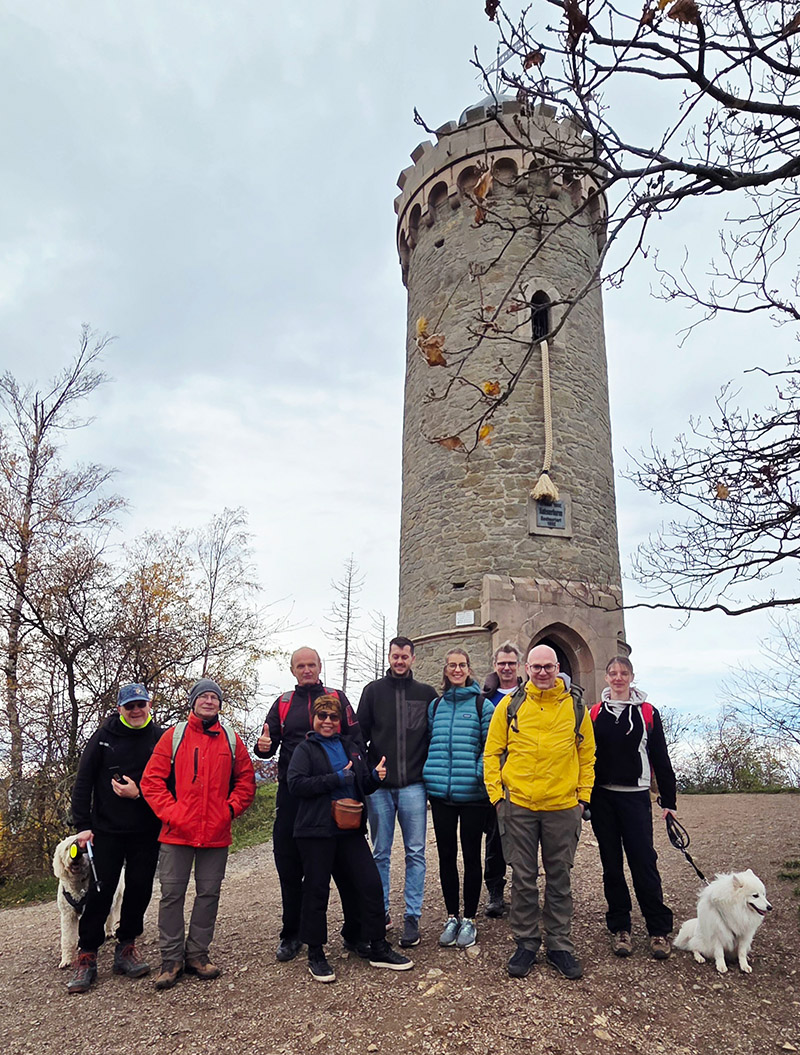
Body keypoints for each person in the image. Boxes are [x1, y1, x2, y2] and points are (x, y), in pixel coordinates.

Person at [483, 644, 595, 980]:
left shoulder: (577, 707)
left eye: (548, 667)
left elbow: (587, 756)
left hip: (563, 807)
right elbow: (492, 753)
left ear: (557, 667)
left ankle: (560, 944)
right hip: (518, 806)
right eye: (536, 667)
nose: (543, 673)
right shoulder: (509, 705)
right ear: (527, 668)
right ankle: (527, 943)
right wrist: (497, 798)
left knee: (560, 878)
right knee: (523, 877)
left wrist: (582, 799)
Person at [287, 694, 414, 981]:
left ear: (340, 721)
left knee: (368, 883)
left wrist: (374, 778)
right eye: (323, 716)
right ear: (314, 720)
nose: (328, 721)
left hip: (349, 829)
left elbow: (360, 785)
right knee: (317, 890)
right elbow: (296, 784)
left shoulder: (350, 747)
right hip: (316, 831)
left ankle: (373, 943)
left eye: (333, 717)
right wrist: (336, 779)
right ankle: (316, 952)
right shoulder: (305, 749)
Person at [140, 678, 255, 990]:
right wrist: (175, 814)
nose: (208, 701)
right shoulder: (174, 736)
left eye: (213, 697)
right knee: (171, 895)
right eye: (202, 696)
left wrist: (228, 810)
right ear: (192, 702)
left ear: (219, 704)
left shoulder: (230, 738)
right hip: (176, 833)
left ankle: (197, 955)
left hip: (216, 833)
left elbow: (246, 780)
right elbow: (151, 781)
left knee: (208, 894)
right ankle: (170, 960)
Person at [255, 646, 363, 962]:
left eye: (311, 664)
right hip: (294, 794)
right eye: (300, 665)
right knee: (289, 866)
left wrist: (359, 775)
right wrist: (261, 748)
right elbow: (267, 744)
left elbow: (356, 739)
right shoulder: (284, 704)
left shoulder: (337, 698)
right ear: (293, 670)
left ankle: (354, 932)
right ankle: (292, 934)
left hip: (336, 794)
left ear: (319, 666)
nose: (306, 670)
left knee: (345, 865)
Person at [66, 683, 164, 994]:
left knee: (139, 889)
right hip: (104, 830)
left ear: (150, 705)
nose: (136, 711)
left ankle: (127, 948)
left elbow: (169, 786)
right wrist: (82, 825)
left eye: (140, 705)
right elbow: (83, 783)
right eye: (129, 706)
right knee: (101, 891)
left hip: (146, 830)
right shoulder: (103, 737)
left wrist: (140, 795)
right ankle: (87, 954)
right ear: (119, 708)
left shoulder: (160, 738)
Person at [590, 655, 677, 959]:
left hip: (636, 796)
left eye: (623, 673)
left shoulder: (647, 713)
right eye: (612, 672)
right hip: (603, 797)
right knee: (611, 865)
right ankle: (620, 927)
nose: (617, 678)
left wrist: (669, 800)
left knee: (644, 863)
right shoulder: (595, 713)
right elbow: (586, 758)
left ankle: (658, 929)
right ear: (606, 677)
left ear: (631, 676)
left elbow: (661, 757)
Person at [357, 636, 437, 948]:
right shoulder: (373, 692)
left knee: (415, 852)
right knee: (380, 852)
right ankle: (382, 911)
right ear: (389, 657)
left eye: (405, 656)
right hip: (379, 787)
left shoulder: (426, 694)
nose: (400, 661)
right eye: (395, 656)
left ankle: (412, 916)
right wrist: (367, 773)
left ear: (412, 659)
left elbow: (433, 737)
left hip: (414, 786)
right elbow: (359, 736)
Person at [423, 648, 494, 950]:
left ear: (469, 669)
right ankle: (451, 916)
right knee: (446, 857)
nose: (456, 670)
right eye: (451, 665)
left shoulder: (482, 705)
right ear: (445, 669)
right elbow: (430, 741)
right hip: (441, 794)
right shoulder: (435, 705)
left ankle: (470, 919)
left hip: (473, 795)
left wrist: (478, 774)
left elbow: (490, 747)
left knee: (471, 856)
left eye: (462, 665)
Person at [480, 641, 523, 918]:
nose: (506, 667)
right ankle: (495, 891)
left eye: (511, 663)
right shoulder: (485, 699)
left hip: (524, 776)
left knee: (526, 837)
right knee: (495, 837)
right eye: (502, 663)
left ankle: (523, 892)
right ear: (495, 665)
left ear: (518, 666)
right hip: (496, 775)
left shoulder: (528, 694)